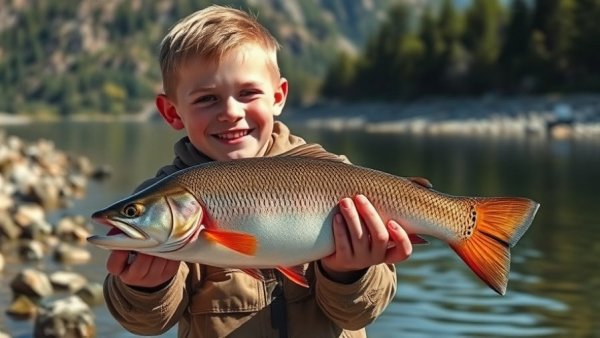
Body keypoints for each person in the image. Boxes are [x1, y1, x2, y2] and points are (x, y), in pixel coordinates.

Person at [103, 5, 414, 338]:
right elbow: (145, 323)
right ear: (171, 111)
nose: (231, 112)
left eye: (248, 93)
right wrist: (143, 288)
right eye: (207, 99)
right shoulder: (165, 196)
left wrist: (348, 274)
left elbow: (359, 314)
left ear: (278, 96)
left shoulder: (334, 177)